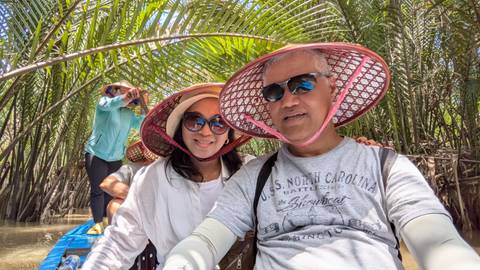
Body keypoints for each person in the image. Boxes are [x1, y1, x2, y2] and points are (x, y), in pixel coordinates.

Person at [162, 43, 480, 270]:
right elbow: (204, 241)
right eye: (274, 92)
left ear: (333, 88)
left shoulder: (385, 166)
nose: (288, 100)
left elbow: (438, 244)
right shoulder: (253, 177)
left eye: (303, 84)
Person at [82, 83, 253, 269]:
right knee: (114, 205)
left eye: (219, 122)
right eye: (194, 120)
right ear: (180, 129)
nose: (205, 131)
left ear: (229, 133)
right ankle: (98, 223)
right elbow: (118, 243)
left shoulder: (249, 172)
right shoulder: (152, 177)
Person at [84, 80, 149, 234]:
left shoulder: (128, 114)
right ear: (115, 90)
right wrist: (126, 98)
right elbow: (111, 104)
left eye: (129, 92)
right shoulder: (104, 103)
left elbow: (142, 124)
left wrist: (144, 107)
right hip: (96, 153)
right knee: (97, 189)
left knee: (111, 190)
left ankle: (108, 220)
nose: (127, 94)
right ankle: (97, 223)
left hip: (116, 157)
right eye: (123, 91)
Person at [100, 141, 158, 224]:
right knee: (115, 204)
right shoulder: (132, 168)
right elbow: (107, 183)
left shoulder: (171, 170)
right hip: (136, 212)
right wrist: (139, 199)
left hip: (162, 215)